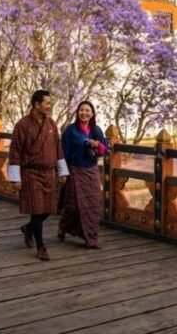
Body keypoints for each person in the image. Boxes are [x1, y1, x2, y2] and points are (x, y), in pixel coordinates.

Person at [8, 90, 68, 261]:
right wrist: (15, 178)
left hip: (48, 173)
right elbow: (15, 152)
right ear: (36, 104)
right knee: (37, 209)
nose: (49, 107)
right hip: (31, 173)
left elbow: (58, 148)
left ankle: (29, 228)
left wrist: (62, 171)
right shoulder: (22, 125)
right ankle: (41, 246)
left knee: (48, 209)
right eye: (47, 103)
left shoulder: (51, 124)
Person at [58, 100, 106, 249]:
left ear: (92, 114)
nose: (84, 113)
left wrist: (97, 145)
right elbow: (62, 153)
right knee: (73, 206)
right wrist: (62, 173)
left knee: (94, 205)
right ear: (78, 113)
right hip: (74, 170)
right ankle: (63, 226)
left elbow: (105, 149)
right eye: (81, 110)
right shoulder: (70, 130)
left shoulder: (96, 130)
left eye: (87, 110)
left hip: (91, 171)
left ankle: (91, 239)